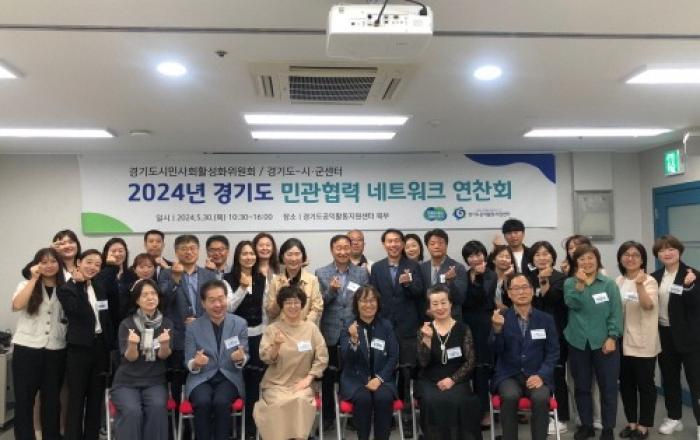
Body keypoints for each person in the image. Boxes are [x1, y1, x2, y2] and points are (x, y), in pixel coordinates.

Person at [489, 273, 559, 440]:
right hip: (509, 375)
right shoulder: (501, 318)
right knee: (509, 396)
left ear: (532, 291)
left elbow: (553, 352)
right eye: (516, 288)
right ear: (509, 294)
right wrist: (497, 330)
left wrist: (541, 375)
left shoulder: (546, 319)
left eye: (525, 287)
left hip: (537, 374)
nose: (521, 292)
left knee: (541, 398)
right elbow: (495, 350)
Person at [254, 286, 329, 440]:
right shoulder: (272, 329)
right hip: (276, 384)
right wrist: (276, 345)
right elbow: (265, 358)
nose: (293, 306)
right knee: (278, 403)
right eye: (288, 302)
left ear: (302, 304)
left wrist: (309, 378)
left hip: (302, 383)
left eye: (296, 302)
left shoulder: (311, 329)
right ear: (282, 305)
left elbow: (322, 357)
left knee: (299, 401)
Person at [57, 249, 118, 440]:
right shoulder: (66, 288)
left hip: (99, 348)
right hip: (79, 350)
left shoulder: (99, 287)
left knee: (95, 398)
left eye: (98, 264)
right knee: (76, 398)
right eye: (89, 262)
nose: (93, 267)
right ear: (78, 263)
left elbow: (105, 317)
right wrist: (79, 284)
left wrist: (109, 346)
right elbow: (77, 310)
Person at [564, 244, 622, 440]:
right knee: (582, 387)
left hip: (604, 342)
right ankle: (586, 425)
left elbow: (615, 312)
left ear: (597, 260)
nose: (586, 262)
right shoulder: (570, 283)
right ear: (576, 262)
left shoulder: (608, 284)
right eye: (581, 259)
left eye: (590, 258)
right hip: (578, 341)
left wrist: (612, 336)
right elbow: (572, 304)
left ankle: (608, 428)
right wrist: (580, 285)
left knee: (608, 387)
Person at [369, 228, 424, 430]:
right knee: (384, 370)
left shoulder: (413, 265)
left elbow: (420, 293)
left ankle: (407, 417)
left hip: (408, 327)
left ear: (402, 243)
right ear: (384, 244)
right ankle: (387, 414)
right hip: (383, 327)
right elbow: (373, 296)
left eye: (396, 241)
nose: (393, 244)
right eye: (389, 241)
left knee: (407, 372)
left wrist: (408, 284)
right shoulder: (377, 268)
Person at [11, 248, 67, 440]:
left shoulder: (66, 288)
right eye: (43, 261)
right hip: (26, 349)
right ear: (36, 264)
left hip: (56, 350)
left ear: (59, 264)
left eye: (53, 261)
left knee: (52, 401)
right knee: (24, 401)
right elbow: (17, 305)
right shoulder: (26, 284)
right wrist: (34, 279)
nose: (49, 265)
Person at [315, 234, 370, 430]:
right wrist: (331, 291)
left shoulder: (361, 273)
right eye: (338, 248)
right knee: (328, 378)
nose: (343, 252)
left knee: (354, 374)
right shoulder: (321, 273)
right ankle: (328, 417)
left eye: (346, 247)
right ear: (332, 250)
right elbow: (318, 304)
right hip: (329, 332)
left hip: (353, 331)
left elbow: (366, 302)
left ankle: (354, 415)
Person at [650, 235, 700, 438]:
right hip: (664, 334)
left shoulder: (693, 274)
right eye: (662, 250)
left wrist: (689, 286)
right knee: (669, 379)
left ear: (679, 251)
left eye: (671, 249)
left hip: (690, 337)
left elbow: (695, 305)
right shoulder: (654, 277)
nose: (667, 253)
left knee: (696, 381)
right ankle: (674, 418)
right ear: (657, 255)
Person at [185, 280, 248, 440]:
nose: (218, 304)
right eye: (212, 300)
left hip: (229, 377)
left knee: (221, 402)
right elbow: (188, 360)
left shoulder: (239, 324)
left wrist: (240, 359)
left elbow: (245, 354)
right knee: (202, 402)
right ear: (203, 303)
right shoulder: (193, 327)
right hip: (201, 378)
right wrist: (196, 363)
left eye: (221, 299)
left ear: (227, 299)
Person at [159, 235, 218, 404]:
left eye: (192, 248)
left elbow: (215, 304)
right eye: (183, 249)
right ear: (176, 252)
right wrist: (176, 279)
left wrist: (200, 321)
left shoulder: (209, 275)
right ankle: (178, 418)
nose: (188, 252)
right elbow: (163, 303)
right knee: (178, 382)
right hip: (178, 336)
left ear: (198, 251)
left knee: (203, 381)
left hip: (204, 335)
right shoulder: (166, 274)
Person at [415, 285, 481, 440]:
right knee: (431, 401)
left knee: (459, 400)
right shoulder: (424, 330)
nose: (440, 307)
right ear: (429, 308)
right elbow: (423, 363)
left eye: (443, 302)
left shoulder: (463, 328)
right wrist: (427, 339)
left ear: (451, 304)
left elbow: (470, 361)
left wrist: (452, 380)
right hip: (430, 380)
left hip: (457, 378)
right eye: (435, 304)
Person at [111, 279, 173, 440]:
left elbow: (163, 355)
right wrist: (132, 345)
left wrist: (165, 344)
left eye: (153, 293)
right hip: (127, 382)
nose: (150, 298)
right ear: (137, 300)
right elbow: (130, 357)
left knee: (157, 408)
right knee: (132, 411)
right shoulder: (127, 324)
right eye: (145, 295)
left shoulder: (166, 323)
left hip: (155, 381)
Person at [339, 285, 398, 440]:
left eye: (372, 300)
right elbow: (347, 359)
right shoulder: (349, 327)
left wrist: (379, 379)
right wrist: (354, 339)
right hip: (356, 380)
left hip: (382, 379)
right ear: (356, 304)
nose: (368, 304)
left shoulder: (386, 326)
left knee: (383, 398)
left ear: (378, 303)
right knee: (363, 399)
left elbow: (393, 356)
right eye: (364, 301)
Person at [223, 240, 267, 440]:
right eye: (244, 254)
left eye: (251, 253)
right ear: (237, 257)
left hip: (258, 335)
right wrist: (242, 287)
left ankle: (250, 430)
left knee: (253, 385)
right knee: (233, 381)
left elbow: (265, 309)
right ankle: (231, 429)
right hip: (235, 337)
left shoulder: (261, 278)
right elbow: (228, 308)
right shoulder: (227, 279)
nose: (249, 257)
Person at [615, 241, 659, 440]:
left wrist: (639, 285)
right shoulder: (619, 280)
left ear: (642, 260)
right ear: (620, 258)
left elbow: (648, 305)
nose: (630, 258)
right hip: (621, 341)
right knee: (626, 384)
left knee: (645, 385)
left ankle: (644, 425)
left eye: (635, 255)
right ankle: (631, 422)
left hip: (643, 341)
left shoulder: (649, 281)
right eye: (626, 254)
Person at [528, 240, 569, 432]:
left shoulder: (561, 278)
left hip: (556, 334)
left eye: (545, 254)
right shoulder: (528, 278)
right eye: (537, 254)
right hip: (532, 335)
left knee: (557, 375)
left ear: (552, 256)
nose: (542, 258)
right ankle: (542, 414)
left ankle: (561, 417)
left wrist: (544, 281)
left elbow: (551, 299)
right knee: (537, 374)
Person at [461, 240, 497, 428]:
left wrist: (479, 278)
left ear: (484, 255)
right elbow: (461, 299)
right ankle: (468, 411)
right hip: (466, 324)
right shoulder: (463, 274)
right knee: (467, 366)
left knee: (482, 368)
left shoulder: (490, 275)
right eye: (470, 255)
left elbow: (481, 297)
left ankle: (485, 412)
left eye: (478, 254)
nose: (475, 259)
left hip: (483, 325)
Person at [266, 238, 323, 325]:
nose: (293, 259)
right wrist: (280, 293)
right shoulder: (275, 281)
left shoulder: (312, 280)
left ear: (303, 257)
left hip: (305, 329)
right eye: (289, 254)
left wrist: (303, 326)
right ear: (283, 257)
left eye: (297, 254)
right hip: (281, 330)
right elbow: (271, 313)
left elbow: (317, 308)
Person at [420, 228, 467, 320]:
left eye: (441, 243)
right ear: (427, 246)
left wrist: (450, 283)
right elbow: (419, 296)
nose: (437, 246)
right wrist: (426, 310)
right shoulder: (422, 267)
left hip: (451, 319)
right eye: (432, 243)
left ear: (446, 245)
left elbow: (460, 298)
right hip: (427, 319)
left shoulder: (458, 267)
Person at [487, 245, 516, 309]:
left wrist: (508, 277)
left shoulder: (515, 278)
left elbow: (513, 299)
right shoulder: (486, 277)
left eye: (507, 257)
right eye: (501, 256)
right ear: (493, 260)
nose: (504, 259)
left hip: (509, 312)